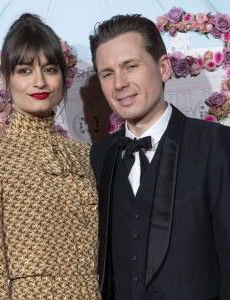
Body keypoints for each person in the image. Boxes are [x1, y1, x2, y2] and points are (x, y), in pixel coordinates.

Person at [89, 14, 230, 300]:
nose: (119, 84)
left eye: (131, 66)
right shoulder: (99, 155)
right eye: (107, 73)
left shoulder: (215, 145)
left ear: (164, 67)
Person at [0, 13, 100, 300]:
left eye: (49, 69)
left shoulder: (86, 156)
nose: (39, 81)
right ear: (5, 79)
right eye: (24, 70)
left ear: (62, 77)